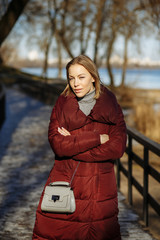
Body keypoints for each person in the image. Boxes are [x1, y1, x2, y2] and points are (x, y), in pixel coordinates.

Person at [32, 55, 127, 240]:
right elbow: (59, 146)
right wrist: (97, 138)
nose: (76, 83)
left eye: (81, 77)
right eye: (71, 78)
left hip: (100, 193)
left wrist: (73, 142)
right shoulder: (61, 104)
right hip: (65, 185)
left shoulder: (110, 105)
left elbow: (117, 148)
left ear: (93, 77)